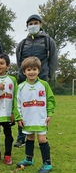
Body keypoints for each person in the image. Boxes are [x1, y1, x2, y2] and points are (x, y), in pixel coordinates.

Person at [14, 14, 58, 148]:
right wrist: (23, 74)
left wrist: (48, 76)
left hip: (42, 78)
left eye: (35, 23)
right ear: (27, 26)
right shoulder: (22, 44)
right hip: (24, 81)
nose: (33, 25)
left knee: (40, 107)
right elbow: (19, 61)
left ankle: (42, 134)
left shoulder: (48, 41)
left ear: (41, 24)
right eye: (30, 23)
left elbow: (53, 60)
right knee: (23, 107)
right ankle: (21, 137)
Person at [15, 57, 55, 173]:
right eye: (28, 69)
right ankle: (29, 158)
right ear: (24, 72)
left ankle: (47, 163)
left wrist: (50, 114)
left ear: (39, 70)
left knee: (42, 139)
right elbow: (16, 103)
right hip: (27, 118)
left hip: (41, 118)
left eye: (34, 69)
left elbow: (50, 100)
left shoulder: (44, 85)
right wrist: (18, 117)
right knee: (30, 138)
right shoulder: (21, 87)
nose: (31, 72)